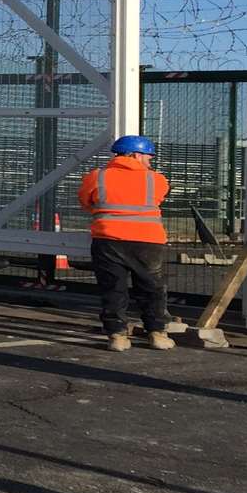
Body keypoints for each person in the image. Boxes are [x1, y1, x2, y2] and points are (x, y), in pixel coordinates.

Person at [78, 135, 173, 352]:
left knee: (113, 289)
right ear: (136, 155)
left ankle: (117, 337)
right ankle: (157, 334)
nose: (150, 161)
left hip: (108, 240)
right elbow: (159, 198)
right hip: (148, 241)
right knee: (151, 288)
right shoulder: (156, 179)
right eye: (149, 157)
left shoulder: (97, 177)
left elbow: (86, 201)